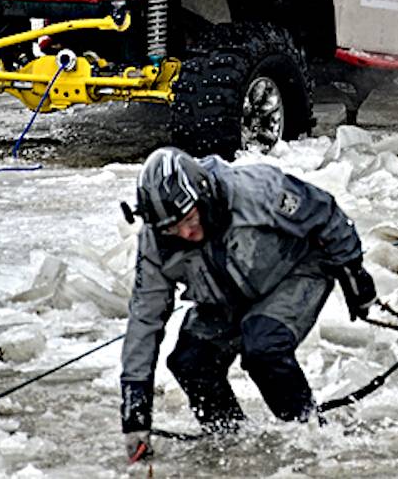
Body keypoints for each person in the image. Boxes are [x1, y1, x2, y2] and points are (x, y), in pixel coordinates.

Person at [118, 148, 375, 461]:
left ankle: (309, 435)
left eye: (189, 218)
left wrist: (353, 272)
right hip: (226, 297)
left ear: (204, 195)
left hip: (296, 272)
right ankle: (230, 438)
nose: (186, 233)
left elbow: (324, 214)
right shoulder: (155, 243)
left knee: (264, 348)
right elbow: (144, 319)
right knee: (190, 362)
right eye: (173, 229)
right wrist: (135, 410)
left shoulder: (256, 189)